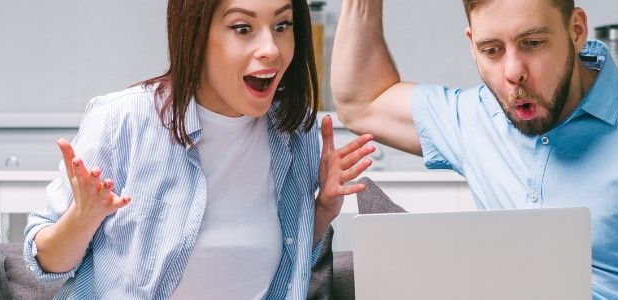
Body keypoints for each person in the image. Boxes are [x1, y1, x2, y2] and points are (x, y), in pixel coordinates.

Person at [331, 0, 618, 298]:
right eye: (492, 50)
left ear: (576, 30)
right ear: (472, 44)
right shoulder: (475, 118)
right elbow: (362, 101)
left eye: (533, 43)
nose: (513, 72)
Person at [22, 0, 375, 298]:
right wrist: (81, 221)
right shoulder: (123, 119)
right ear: (196, 35)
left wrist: (322, 210)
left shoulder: (295, 132)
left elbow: (276, 260)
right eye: (242, 28)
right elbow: (43, 265)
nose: (271, 48)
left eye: (283, 25)